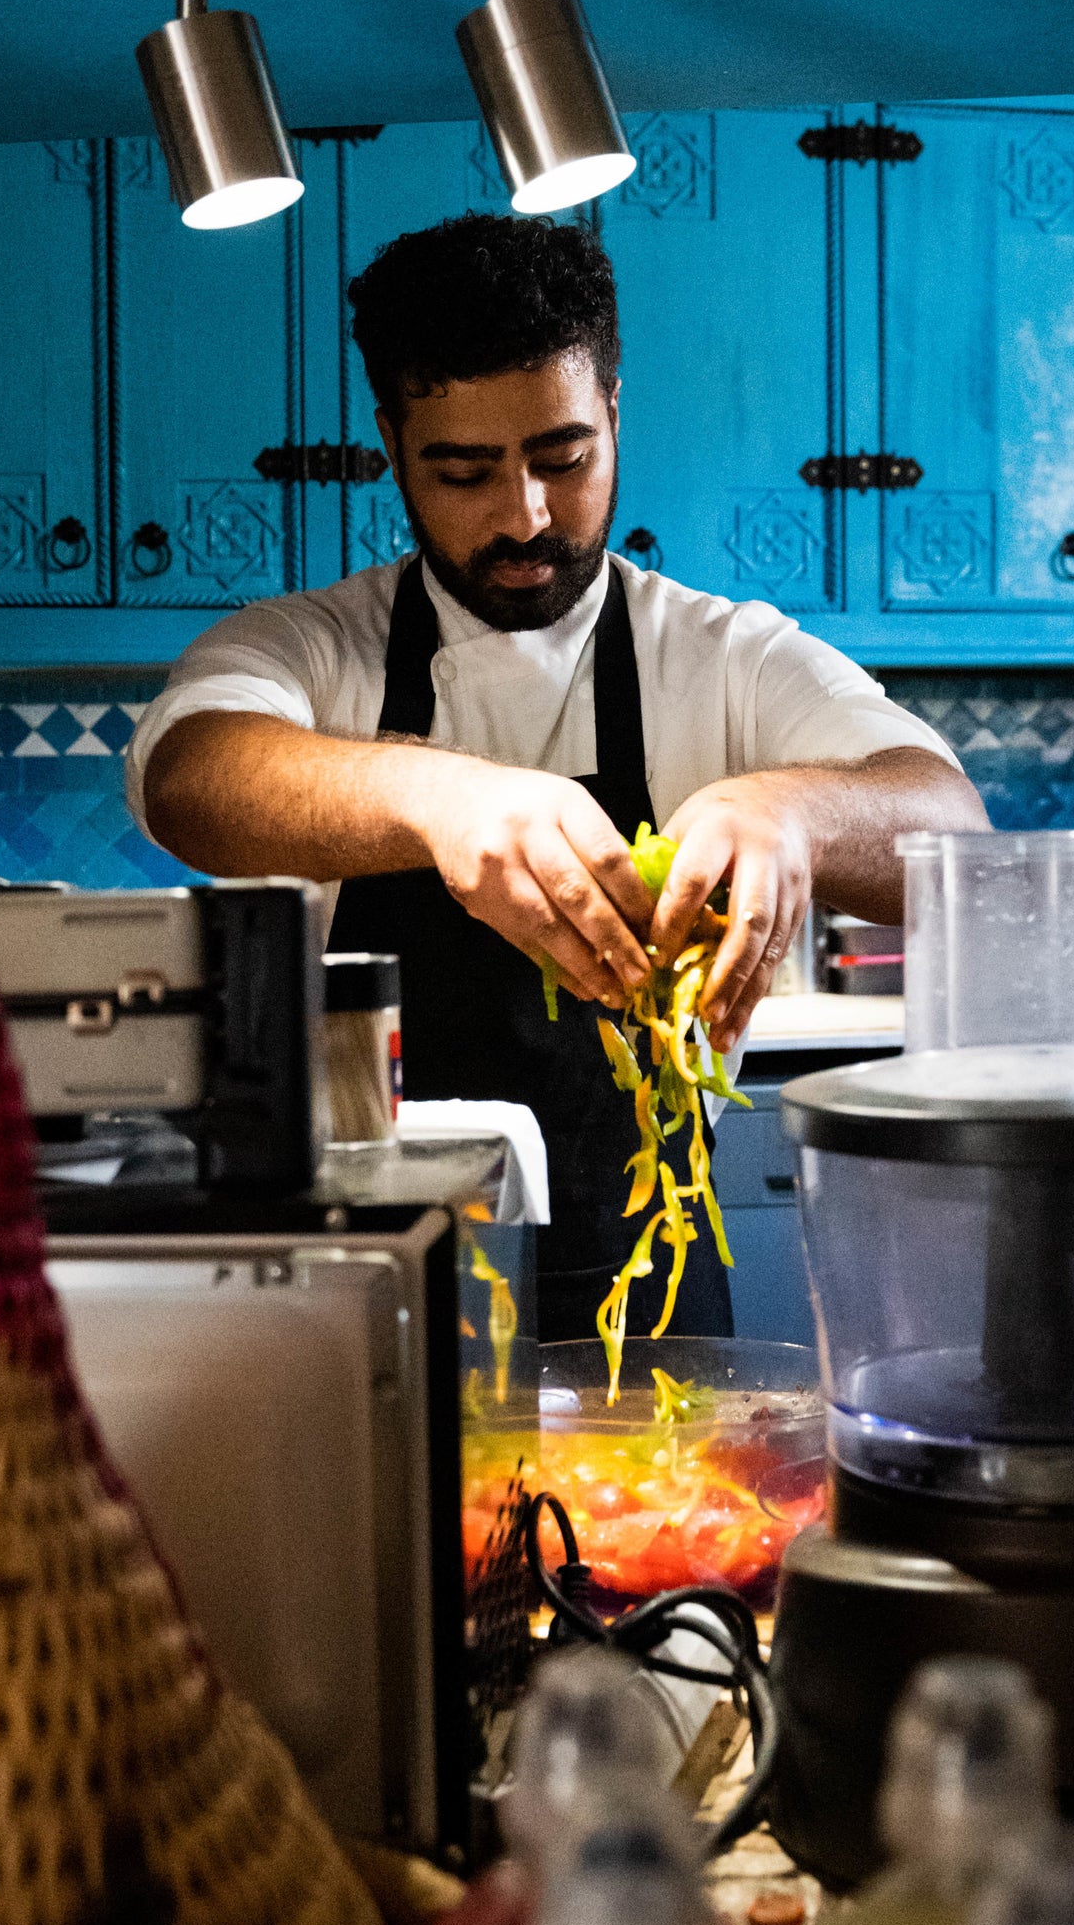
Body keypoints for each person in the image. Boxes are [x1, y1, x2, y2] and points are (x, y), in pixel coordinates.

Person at [128, 214, 985, 1339]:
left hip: (653, 1291)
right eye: (463, 471)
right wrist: (439, 798)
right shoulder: (315, 648)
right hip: (371, 1303)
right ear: (390, 443)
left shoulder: (722, 655)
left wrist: (791, 810)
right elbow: (190, 774)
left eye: (561, 457)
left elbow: (956, 836)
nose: (524, 514)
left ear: (613, 414)